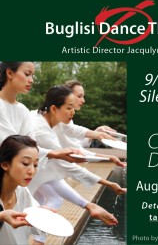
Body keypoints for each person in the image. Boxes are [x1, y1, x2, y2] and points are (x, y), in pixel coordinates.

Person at [0, 62, 121, 226]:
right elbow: (11, 147)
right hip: (6, 183)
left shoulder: (22, 110)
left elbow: (32, 150)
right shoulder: (36, 123)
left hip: (15, 185)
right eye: (27, 74)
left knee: (34, 219)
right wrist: (55, 154)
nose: (31, 80)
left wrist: (88, 205)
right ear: (10, 73)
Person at [29, 85, 126, 225]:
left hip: (39, 173)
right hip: (21, 177)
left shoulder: (51, 118)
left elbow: (75, 132)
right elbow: (69, 163)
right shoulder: (41, 130)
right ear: (54, 108)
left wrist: (99, 135)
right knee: (37, 209)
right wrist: (108, 183)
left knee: (50, 202)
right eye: (69, 107)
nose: (73, 112)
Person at [0, 135, 46, 245]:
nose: (32, 171)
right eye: (25, 163)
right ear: (5, 164)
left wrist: (44, 214)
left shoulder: (22, 192)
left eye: (35, 165)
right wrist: (1, 216)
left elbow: (41, 227)